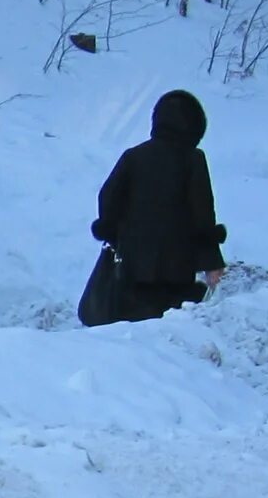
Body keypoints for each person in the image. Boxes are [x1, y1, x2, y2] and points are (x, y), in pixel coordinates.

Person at [89, 90, 227, 323]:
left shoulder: (134, 156)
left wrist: (115, 234)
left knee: (131, 330)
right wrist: (211, 263)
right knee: (166, 330)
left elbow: (108, 197)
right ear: (194, 125)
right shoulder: (193, 159)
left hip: (132, 266)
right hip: (176, 269)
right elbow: (202, 213)